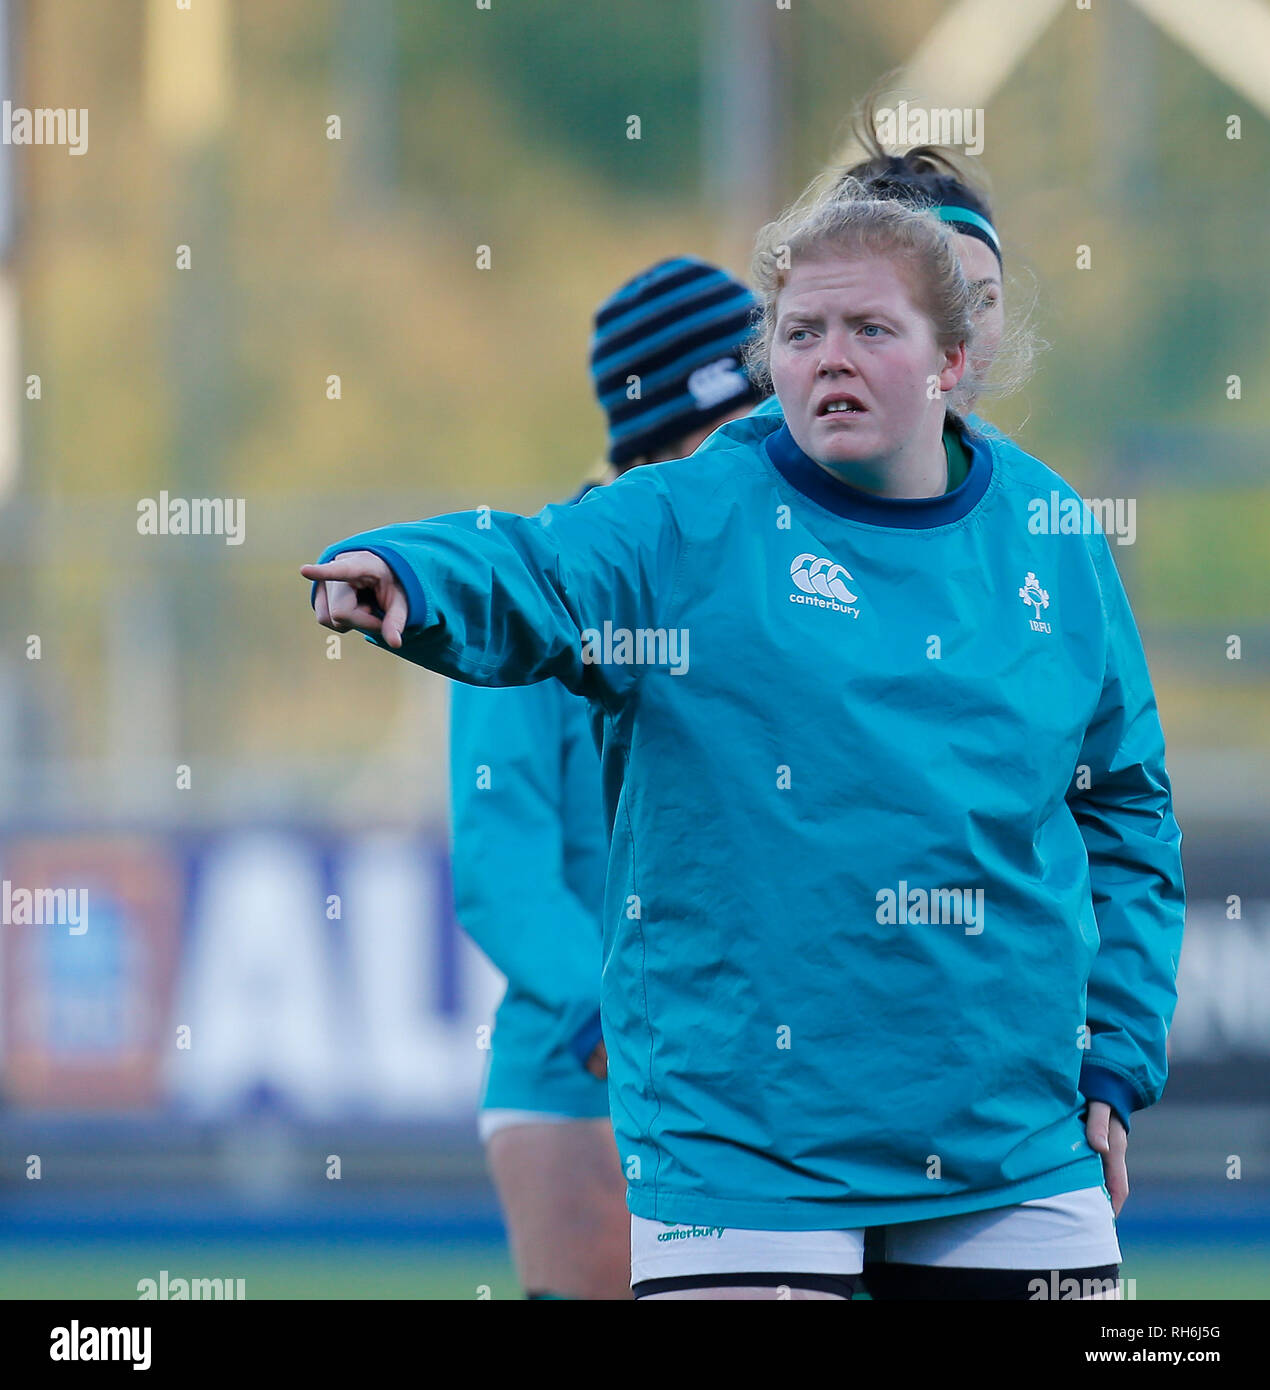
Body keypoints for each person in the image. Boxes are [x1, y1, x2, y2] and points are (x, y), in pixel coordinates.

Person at [302, 178, 1184, 1300]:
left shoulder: (1048, 528)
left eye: (870, 329)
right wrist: (412, 574)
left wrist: (1114, 1046)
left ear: (952, 358)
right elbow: (529, 565)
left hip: (1005, 1134)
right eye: (801, 332)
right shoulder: (681, 517)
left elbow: (1123, 802)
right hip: (737, 1133)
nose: (830, 358)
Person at [448, 258, 765, 1300]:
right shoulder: (547, 582)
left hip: (752, 1077)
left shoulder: (776, 576)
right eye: (748, 410)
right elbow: (502, 865)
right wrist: (615, 1029)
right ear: (670, 437)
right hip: (584, 1077)